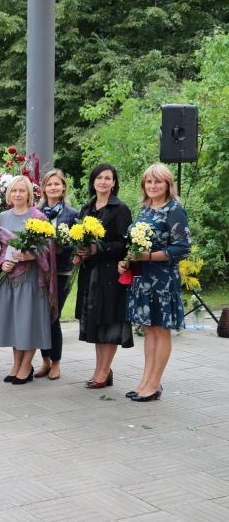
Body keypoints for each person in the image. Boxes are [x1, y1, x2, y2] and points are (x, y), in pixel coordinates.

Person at [119, 163, 191, 402]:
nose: (152, 186)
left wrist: (148, 257)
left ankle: (155, 383)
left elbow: (182, 248)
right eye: (148, 182)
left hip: (163, 281)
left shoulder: (174, 210)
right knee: (149, 330)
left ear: (168, 185)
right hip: (142, 279)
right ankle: (145, 382)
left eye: (158, 182)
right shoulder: (145, 210)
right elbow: (136, 246)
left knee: (161, 332)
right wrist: (127, 261)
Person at [0, 175, 56, 384]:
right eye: (14, 190)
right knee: (13, 323)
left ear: (29, 194)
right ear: (9, 193)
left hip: (31, 279)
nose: (18, 194)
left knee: (29, 322)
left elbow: (50, 249)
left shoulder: (38, 217)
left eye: (22, 190)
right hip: (9, 279)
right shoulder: (1, 217)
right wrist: (2, 263)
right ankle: (16, 364)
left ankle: (26, 365)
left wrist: (31, 255)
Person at [75, 163, 134, 389]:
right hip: (90, 273)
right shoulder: (86, 208)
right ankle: (103, 370)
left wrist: (100, 249)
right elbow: (79, 238)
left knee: (108, 322)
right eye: (99, 178)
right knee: (96, 324)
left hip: (110, 274)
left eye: (108, 178)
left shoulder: (120, 209)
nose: (103, 182)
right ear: (93, 181)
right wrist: (80, 252)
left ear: (114, 183)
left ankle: (102, 372)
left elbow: (124, 244)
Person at [35, 170, 79, 380]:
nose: (53, 188)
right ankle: (44, 361)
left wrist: (61, 247)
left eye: (57, 184)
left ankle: (56, 363)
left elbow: (78, 243)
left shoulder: (72, 214)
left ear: (63, 188)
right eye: (49, 184)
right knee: (41, 318)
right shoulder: (36, 212)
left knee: (53, 316)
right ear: (43, 188)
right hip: (39, 272)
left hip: (62, 271)